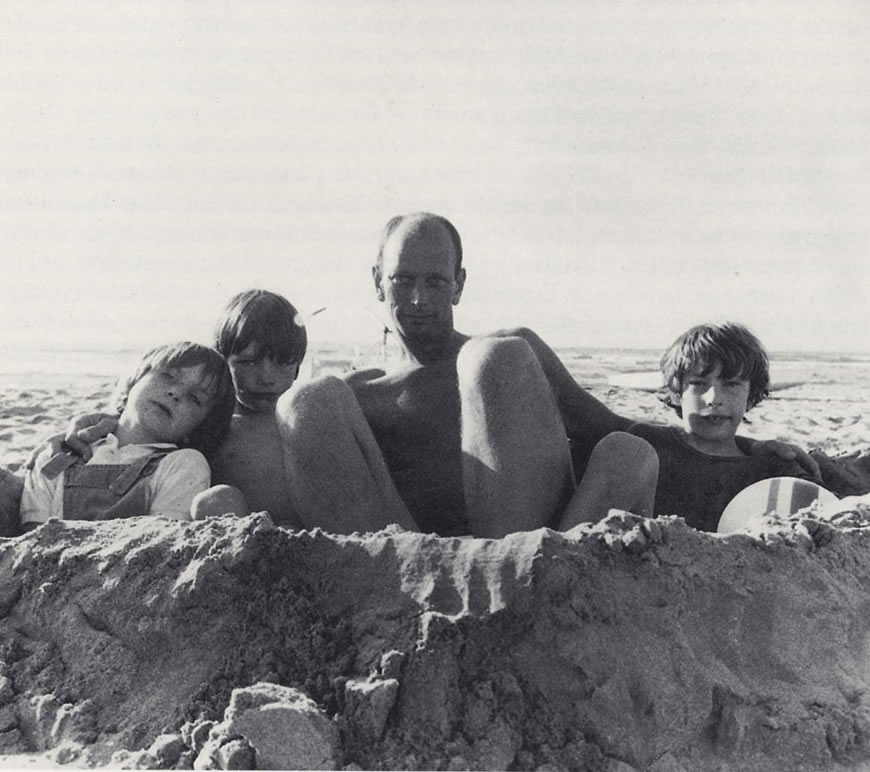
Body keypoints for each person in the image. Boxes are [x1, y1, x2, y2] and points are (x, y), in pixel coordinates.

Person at [18, 342, 236, 531]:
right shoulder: (59, 456)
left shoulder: (183, 464)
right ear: (135, 380)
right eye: (168, 375)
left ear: (198, 429)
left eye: (195, 398)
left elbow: (160, 547)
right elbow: (33, 535)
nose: (176, 393)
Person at [624, 322, 813, 532]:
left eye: (731, 384)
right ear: (677, 392)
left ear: (750, 398)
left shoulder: (772, 468)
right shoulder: (649, 444)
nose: (713, 399)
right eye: (698, 383)